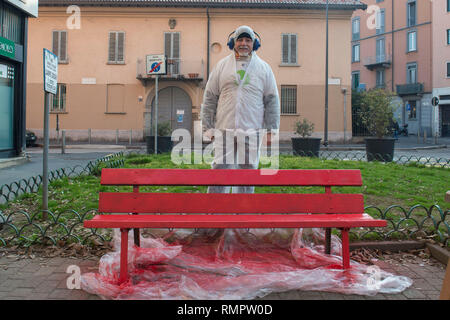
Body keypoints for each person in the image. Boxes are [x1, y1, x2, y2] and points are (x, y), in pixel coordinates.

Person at [201, 25, 280, 194]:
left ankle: (243, 211)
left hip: (252, 129)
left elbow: (272, 101)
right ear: (233, 43)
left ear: (254, 44)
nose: (244, 44)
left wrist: (270, 130)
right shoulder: (222, 66)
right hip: (224, 128)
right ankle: (215, 212)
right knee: (219, 170)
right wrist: (208, 127)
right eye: (240, 40)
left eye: (248, 40)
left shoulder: (264, 69)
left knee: (248, 171)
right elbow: (210, 97)